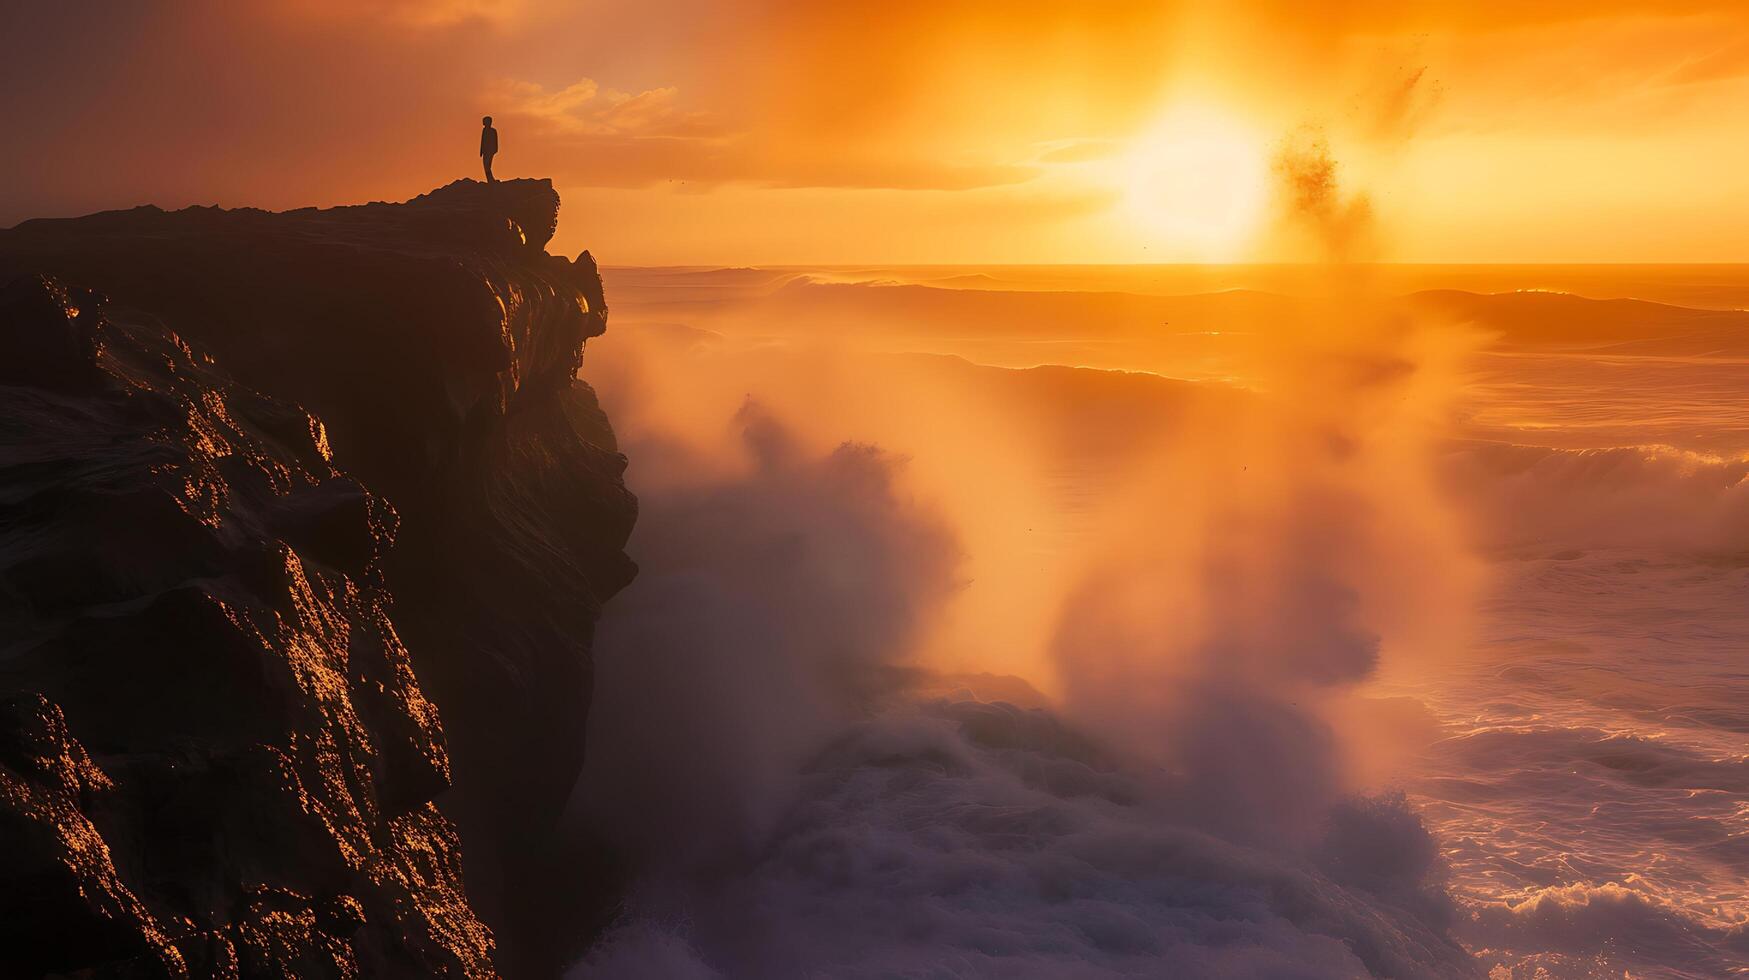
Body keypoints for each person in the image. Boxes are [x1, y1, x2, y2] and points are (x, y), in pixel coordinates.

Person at [480, 116, 499, 183]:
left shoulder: (493, 131)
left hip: (490, 151)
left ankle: (491, 180)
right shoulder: (484, 130)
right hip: (485, 151)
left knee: (488, 166)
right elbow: (482, 141)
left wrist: (495, 150)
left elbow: (495, 141)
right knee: (485, 166)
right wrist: (481, 151)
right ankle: (490, 180)